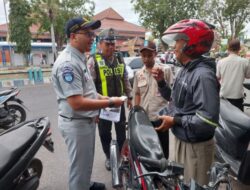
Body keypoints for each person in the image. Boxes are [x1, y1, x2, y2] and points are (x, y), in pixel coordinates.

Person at [52, 17, 125, 190]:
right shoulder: (68, 63)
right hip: (76, 124)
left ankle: (86, 184)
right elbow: (76, 103)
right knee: (79, 167)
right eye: (87, 33)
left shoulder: (79, 58)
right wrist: (109, 102)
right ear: (73, 36)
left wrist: (102, 102)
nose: (92, 37)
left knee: (84, 163)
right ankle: (81, 185)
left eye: (93, 33)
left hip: (84, 121)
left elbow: (89, 92)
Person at [153, 19, 220, 186]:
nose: (174, 46)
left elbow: (207, 121)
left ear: (191, 45)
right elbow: (176, 101)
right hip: (181, 139)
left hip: (195, 148)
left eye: (178, 41)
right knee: (180, 184)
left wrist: (175, 120)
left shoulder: (203, 76)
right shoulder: (185, 70)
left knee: (194, 185)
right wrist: (162, 82)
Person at [87, 28, 133, 171]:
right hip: (103, 106)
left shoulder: (119, 58)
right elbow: (89, 87)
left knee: (121, 133)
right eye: (108, 44)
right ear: (100, 44)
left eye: (113, 44)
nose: (111, 47)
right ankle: (109, 157)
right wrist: (94, 110)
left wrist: (129, 96)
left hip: (119, 105)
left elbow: (125, 78)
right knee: (104, 134)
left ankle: (121, 156)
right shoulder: (93, 60)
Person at [133, 40, 173, 159]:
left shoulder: (165, 70)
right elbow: (136, 93)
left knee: (162, 149)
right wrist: (136, 114)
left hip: (160, 118)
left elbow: (172, 94)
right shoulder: (138, 74)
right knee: (147, 149)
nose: (146, 59)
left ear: (155, 54)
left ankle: (162, 174)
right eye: (143, 56)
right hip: (145, 119)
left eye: (149, 55)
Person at [216, 39, 250, 111]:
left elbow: (217, 77)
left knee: (224, 119)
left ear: (228, 48)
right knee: (238, 119)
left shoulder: (221, 62)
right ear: (239, 48)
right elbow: (248, 76)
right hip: (238, 96)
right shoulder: (245, 62)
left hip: (224, 95)